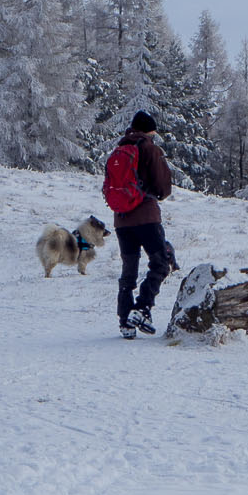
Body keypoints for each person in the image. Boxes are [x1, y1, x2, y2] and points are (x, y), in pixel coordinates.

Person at [102, 111, 174, 338]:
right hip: (146, 218)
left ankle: (125, 321)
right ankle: (142, 308)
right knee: (162, 262)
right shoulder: (150, 149)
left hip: (122, 220)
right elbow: (163, 188)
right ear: (149, 130)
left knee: (128, 271)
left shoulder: (117, 151)